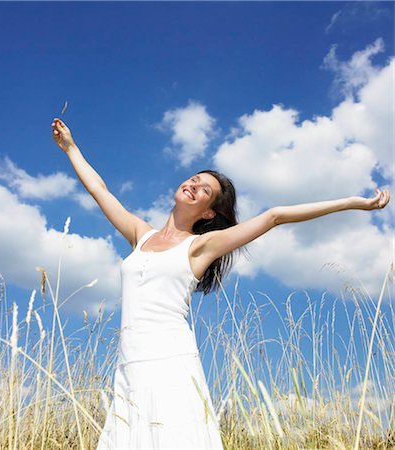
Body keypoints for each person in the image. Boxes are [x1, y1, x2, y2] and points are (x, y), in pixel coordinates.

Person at [51, 117, 390, 449]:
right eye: (195, 179)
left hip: (170, 357)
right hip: (129, 360)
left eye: (204, 190)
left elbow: (274, 216)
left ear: (209, 213)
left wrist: (354, 203)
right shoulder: (140, 234)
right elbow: (99, 189)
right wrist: (70, 148)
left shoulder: (199, 248)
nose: (194, 185)